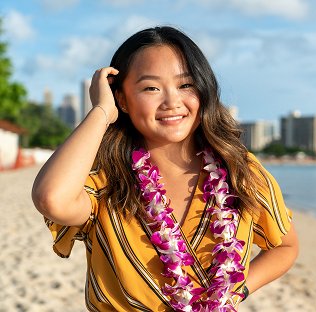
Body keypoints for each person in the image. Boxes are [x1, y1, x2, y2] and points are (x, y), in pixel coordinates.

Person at [32, 26, 298, 312]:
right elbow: (51, 198)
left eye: (185, 85)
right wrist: (101, 112)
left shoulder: (239, 171)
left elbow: (284, 247)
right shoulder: (107, 183)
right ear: (122, 99)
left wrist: (235, 292)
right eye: (151, 88)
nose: (172, 102)